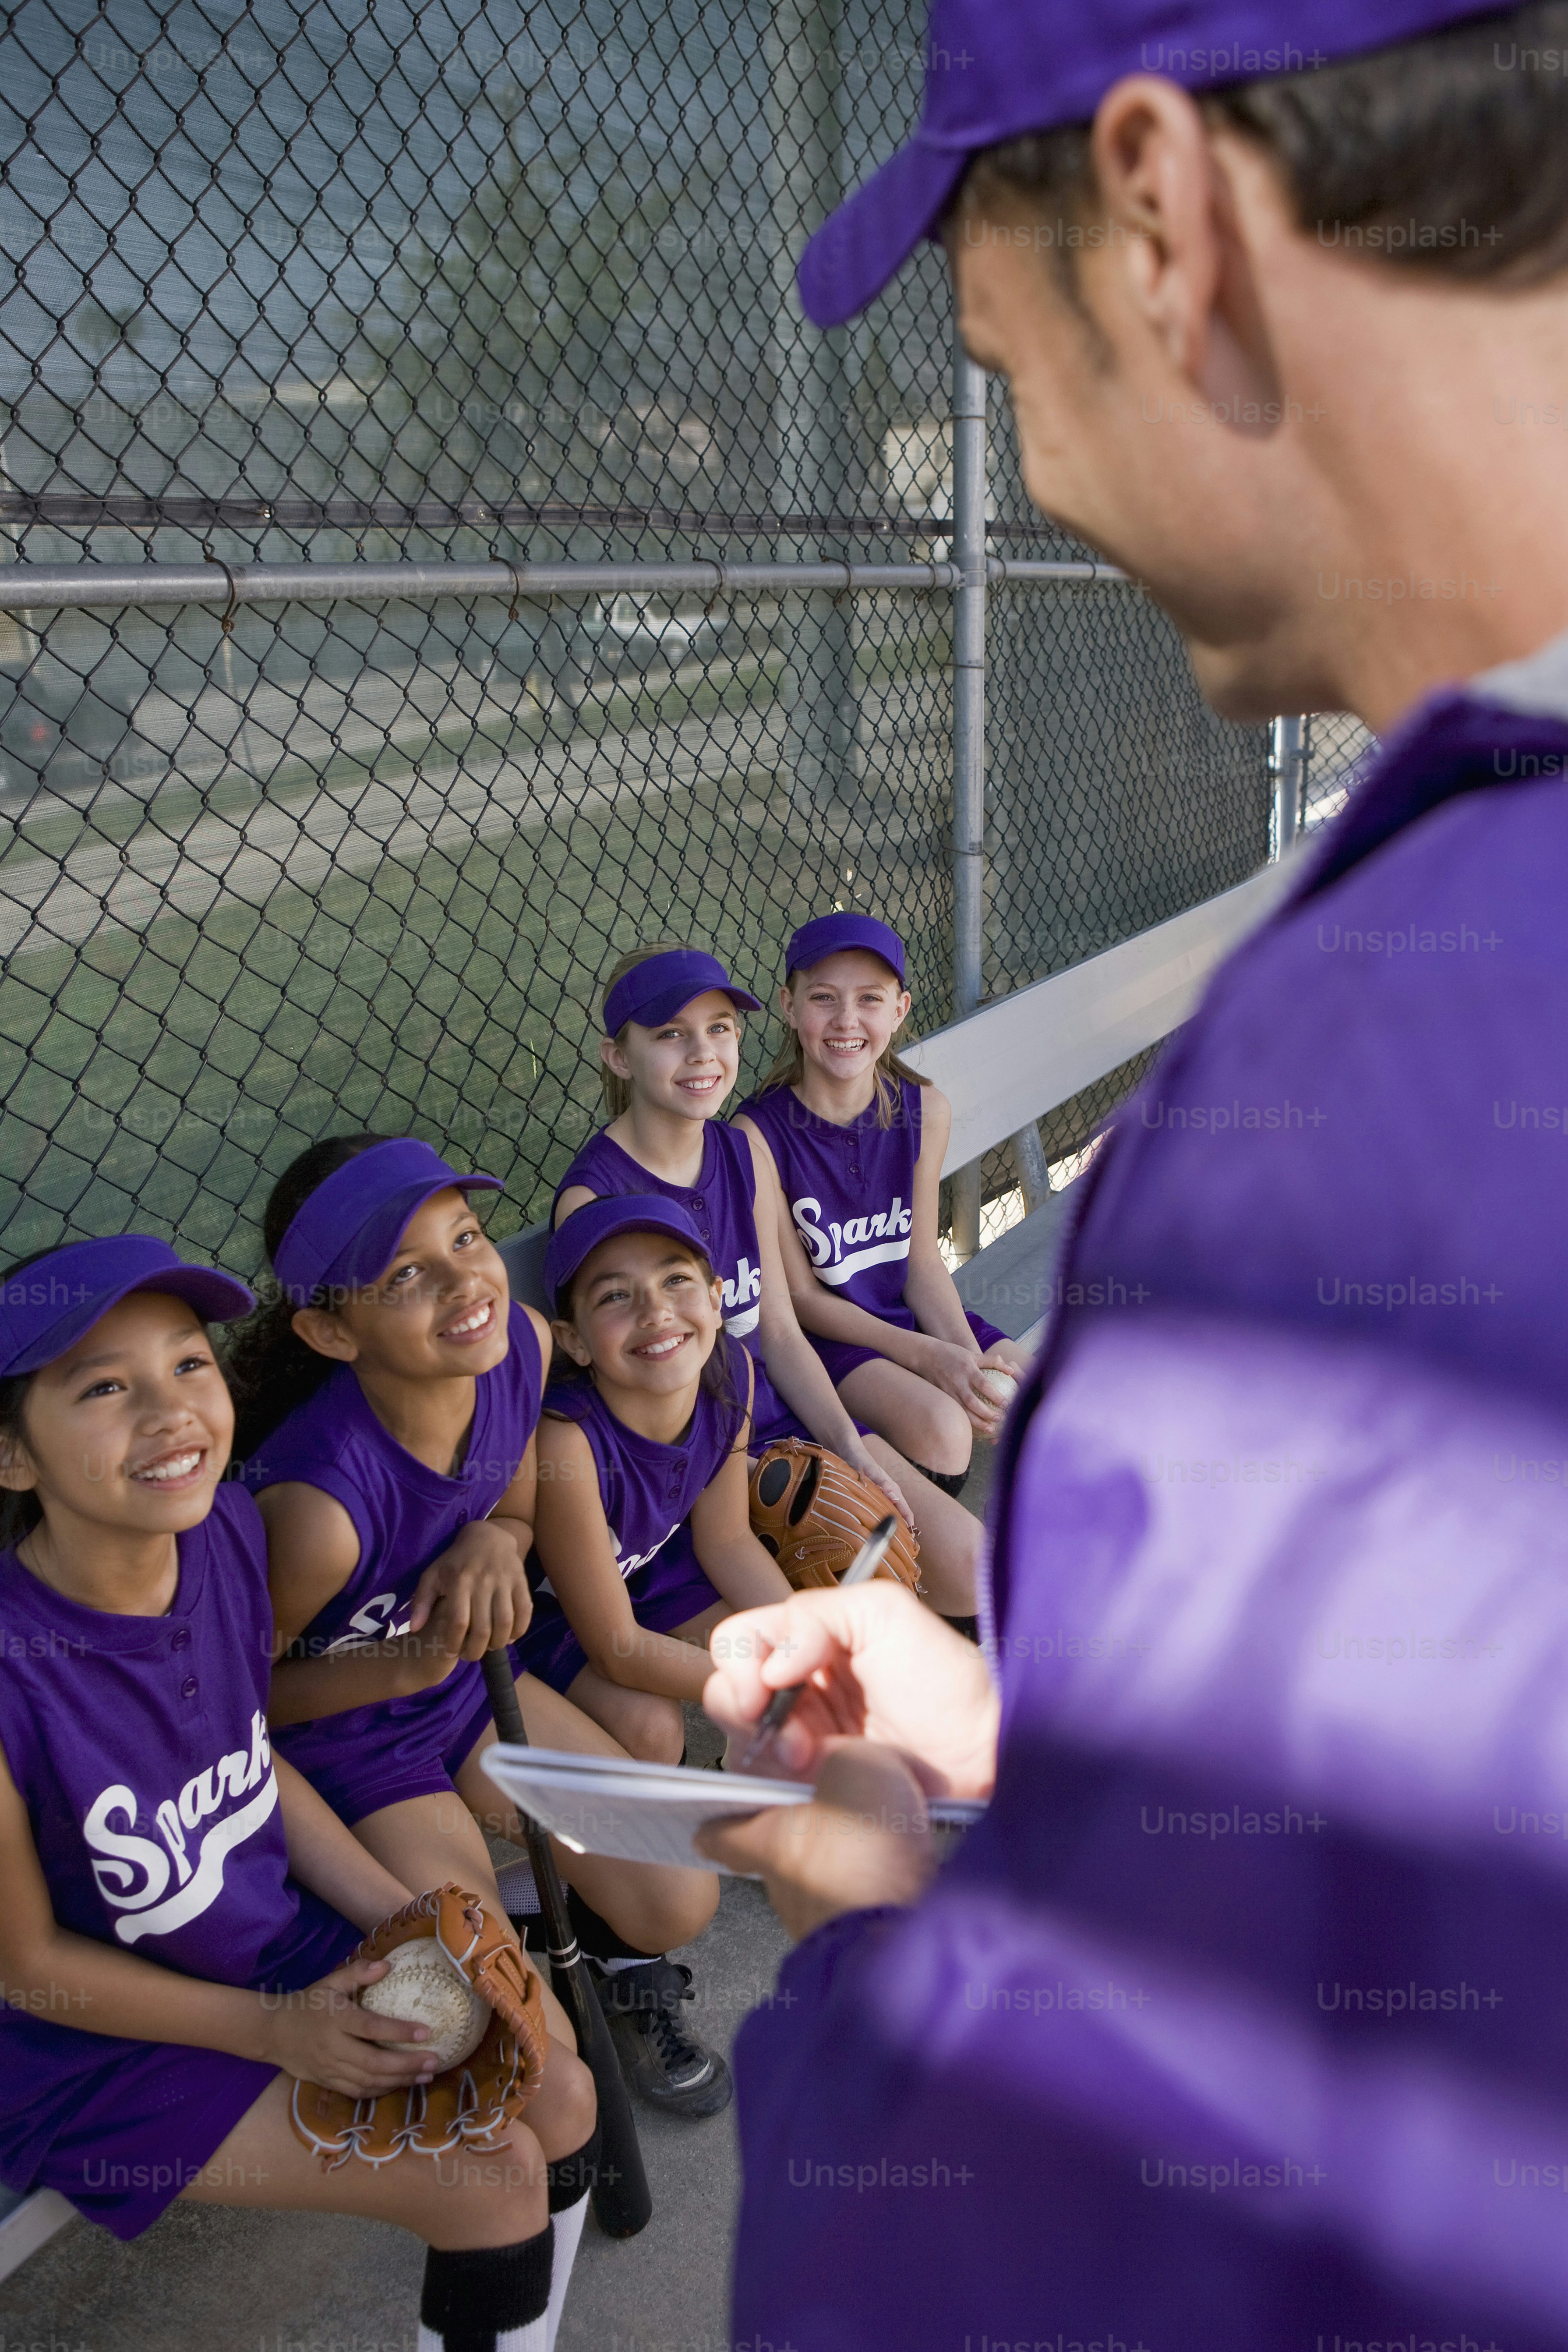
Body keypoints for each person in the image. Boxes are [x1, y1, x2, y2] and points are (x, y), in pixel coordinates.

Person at [697, 0, 1568, 2345]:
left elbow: (1054, 2251)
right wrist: (1068, 1744)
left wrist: (887, 1929)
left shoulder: (1400, 1066)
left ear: (1163, 215)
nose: (1039, 477)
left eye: (994, 365)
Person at [0, 1235, 595, 2352]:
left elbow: (251, 1754)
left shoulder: (222, 1530)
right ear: (12, 1457)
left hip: (259, 1944)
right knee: (489, 2176)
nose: (170, 1410)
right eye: (103, 1389)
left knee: (558, 2094)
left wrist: (399, 1917)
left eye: (188, 1365)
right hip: (92, 2041)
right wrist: (277, 2031)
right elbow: (27, 1970)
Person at [230, 1133, 732, 2116]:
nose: (466, 1279)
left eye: (465, 1236)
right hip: (351, 1751)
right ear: (335, 1334)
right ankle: (420, 1910)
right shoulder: (317, 1509)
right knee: (528, 2041)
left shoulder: (525, 1349)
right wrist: (401, 1665)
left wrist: (502, 1538)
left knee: (680, 1895)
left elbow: (504, 1495)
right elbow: (236, 1708)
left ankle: (571, 1946)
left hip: (462, 1691)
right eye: (408, 1273)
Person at [553, 941, 984, 1626]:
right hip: (702, 1464)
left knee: (967, 1569)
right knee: (865, 1610)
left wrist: (849, 1448)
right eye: (670, 1034)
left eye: (720, 1028)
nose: (702, 1054)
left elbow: (781, 1333)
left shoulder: (739, 1149)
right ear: (617, 1055)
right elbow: (638, 1398)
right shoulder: (597, 1198)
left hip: (788, 1419)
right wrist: (759, 1474)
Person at [735, 909, 1030, 1493]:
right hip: (832, 1343)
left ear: (900, 1009)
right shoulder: (758, 1136)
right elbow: (801, 1300)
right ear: (790, 1007)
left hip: (907, 1314)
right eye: (824, 997)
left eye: (870, 999)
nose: (847, 1019)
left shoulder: (925, 1110)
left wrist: (967, 1361)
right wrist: (927, 1358)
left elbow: (921, 1265)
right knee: (945, 1426)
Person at [525, 1195, 793, 1753]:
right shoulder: (566, 1442)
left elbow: (727, 1540)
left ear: (717, 1298)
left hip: (641, 1575)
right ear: (573, 1340)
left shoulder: (727, 1368)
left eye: (675, 1279)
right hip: (539, 1613)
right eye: (615, 1295)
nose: (655, 1311)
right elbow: (617, 1647)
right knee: (654, 1730)